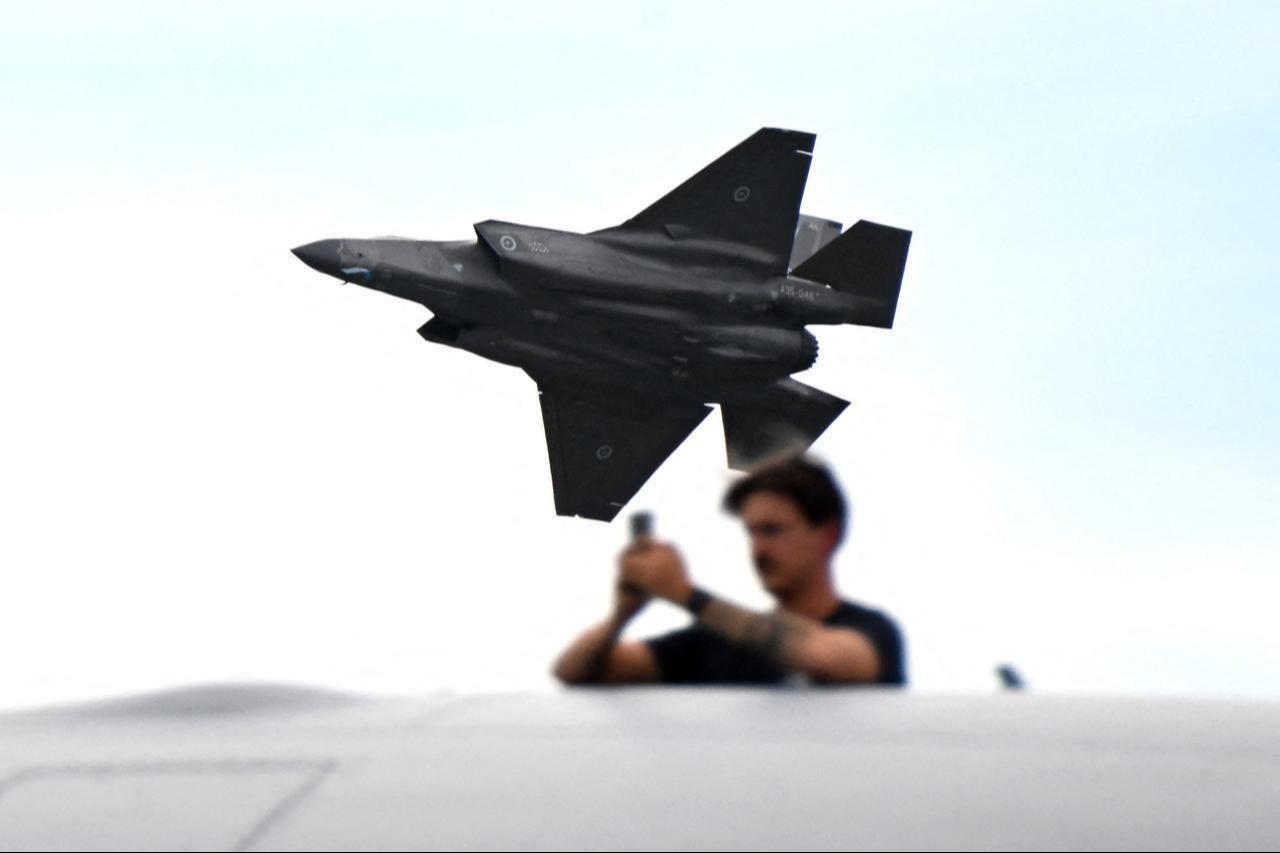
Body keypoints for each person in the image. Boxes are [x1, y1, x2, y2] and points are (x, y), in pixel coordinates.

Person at [552, 456, 906, 686]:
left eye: (773, 530)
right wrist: (620, 615)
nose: (758, 550)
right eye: (751, 532)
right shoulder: (712, 646)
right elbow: (574, 672)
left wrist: (685, 595)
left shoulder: (872, 631)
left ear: (827, 533)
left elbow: (828, 659)